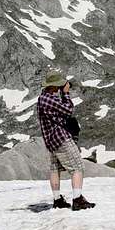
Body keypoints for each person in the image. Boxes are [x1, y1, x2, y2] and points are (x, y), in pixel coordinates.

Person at [37, 70, 95, 211]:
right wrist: (66, 93)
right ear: (55, 85)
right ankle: (77, 200)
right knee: (77, 167)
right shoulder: (50, 99)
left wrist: (61, 93)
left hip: (51, 141)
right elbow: (68, 110)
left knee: (55, 169)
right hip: (60, 138)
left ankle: (57, 200)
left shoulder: (43, 97)